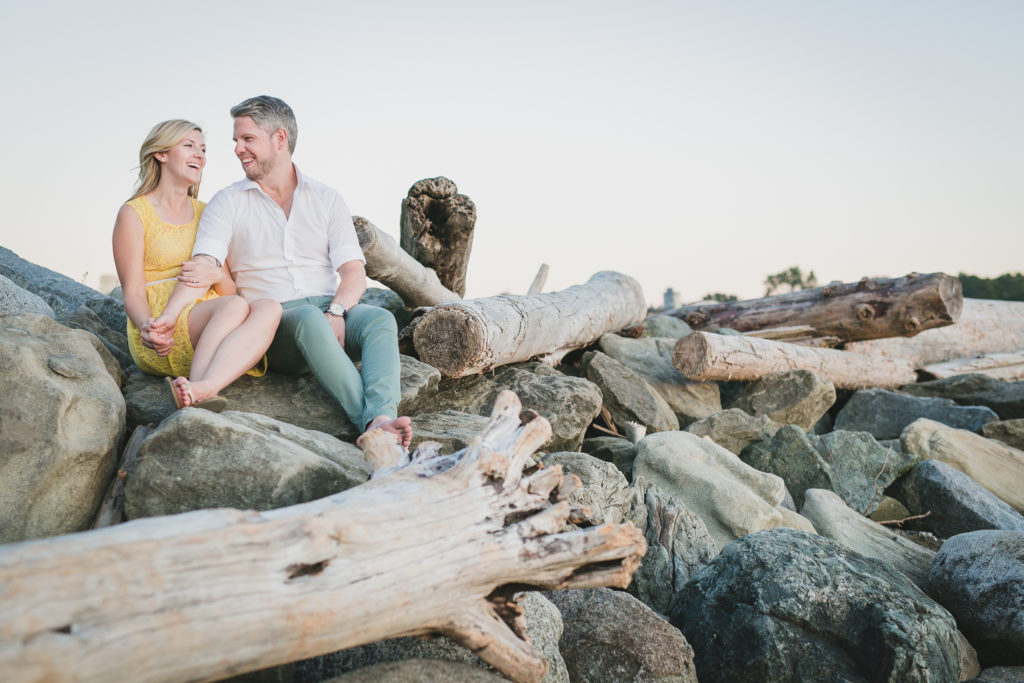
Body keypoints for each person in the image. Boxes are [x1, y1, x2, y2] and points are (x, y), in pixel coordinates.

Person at [183, 96, 412, 447]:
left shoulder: (326, 198)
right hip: (273, 324)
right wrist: (173, 307)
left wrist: (337, 311)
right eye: (236, 141)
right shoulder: (227, 202)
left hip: (327, 310)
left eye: (248, 139)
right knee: (308, 317)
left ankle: (382, 415)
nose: (238, 150)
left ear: (279, 139)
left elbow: (353, 273)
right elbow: (208, 260)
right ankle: (371, 425)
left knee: (380, 319)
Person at [112, 119, 282, 410]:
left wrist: (215, 273)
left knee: (269, 307)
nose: (200, 155)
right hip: (160, 325)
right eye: (189, 146)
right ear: (161, 154)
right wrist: (148, 327)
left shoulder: (209, 212)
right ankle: (197, 391)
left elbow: (227, 289)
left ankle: (202, 387)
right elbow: (133, 292)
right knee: (235, 307)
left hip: (213, 318)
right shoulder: (134, 213)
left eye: (203, 149)